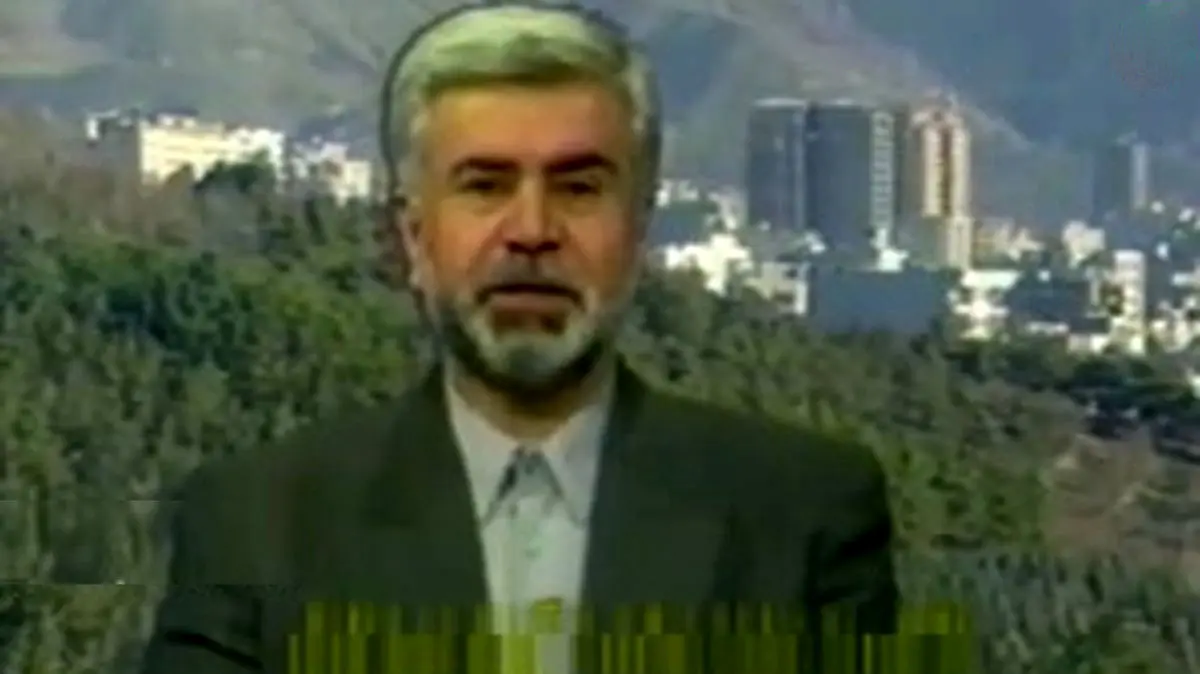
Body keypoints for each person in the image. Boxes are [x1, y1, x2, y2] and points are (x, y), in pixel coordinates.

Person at [139, 3, 899, 673]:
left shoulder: (802, 513)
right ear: (413, 237)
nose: (532, 231)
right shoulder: (259, 522)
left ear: (637, 231)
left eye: (578, 188)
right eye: (484, 186)